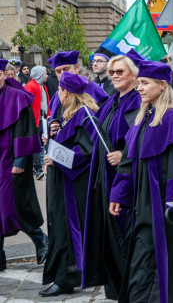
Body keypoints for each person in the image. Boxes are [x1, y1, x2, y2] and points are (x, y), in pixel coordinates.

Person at [109, 60, 173, 303]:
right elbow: (129, 160)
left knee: (169, 267)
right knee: (142, 266)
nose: (139, 88)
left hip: (168, 210)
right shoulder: (143, 118)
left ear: (162, 85)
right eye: (139, 82)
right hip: (144, 207)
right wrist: (119, 193)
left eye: (144, 83)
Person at [82, 54, 141, 299]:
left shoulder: (138, 101)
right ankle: (119, 290)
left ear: (134, 75)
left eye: (120, 72)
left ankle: (133, 291)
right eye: (113, 72)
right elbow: (98, 131)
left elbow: (140, 138)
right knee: (111, 238)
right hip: (107, 179)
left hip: (128, 181)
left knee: (126, 238)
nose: (115, 75)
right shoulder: (112, 101)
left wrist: (123, 154)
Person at [41, 72, 98, 296]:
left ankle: (67, 278)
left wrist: (56, 157)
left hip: (74, 186)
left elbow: (85, 151)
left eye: (60, 90)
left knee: (68, 230)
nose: (58, 94)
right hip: (65, 181)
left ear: (67, 92)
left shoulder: (84, 115)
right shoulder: (71, 114)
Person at [0, 59, 47, 273]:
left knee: (16, 205)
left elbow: (26, 130)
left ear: (4, 74)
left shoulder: (18, 98)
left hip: (11, 161)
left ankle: (41, 240)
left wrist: (20, 160)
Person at [47, 50, 108, 125]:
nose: (63, 75)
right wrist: (52, 127)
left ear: (77, 68)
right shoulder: (58, 95)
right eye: (58, 72)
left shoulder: (94, 90)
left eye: (66, 69)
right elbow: (54, 119)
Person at [24, 66, 50, 179]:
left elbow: (45, 103)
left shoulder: (42, 86)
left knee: (42, 143)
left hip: (42, 119)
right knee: (36, 145)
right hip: (35, 120)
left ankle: (40, 167)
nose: (47, 76)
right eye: (45, 74)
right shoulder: (31, 86)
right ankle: (37, 169)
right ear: (40, 74)